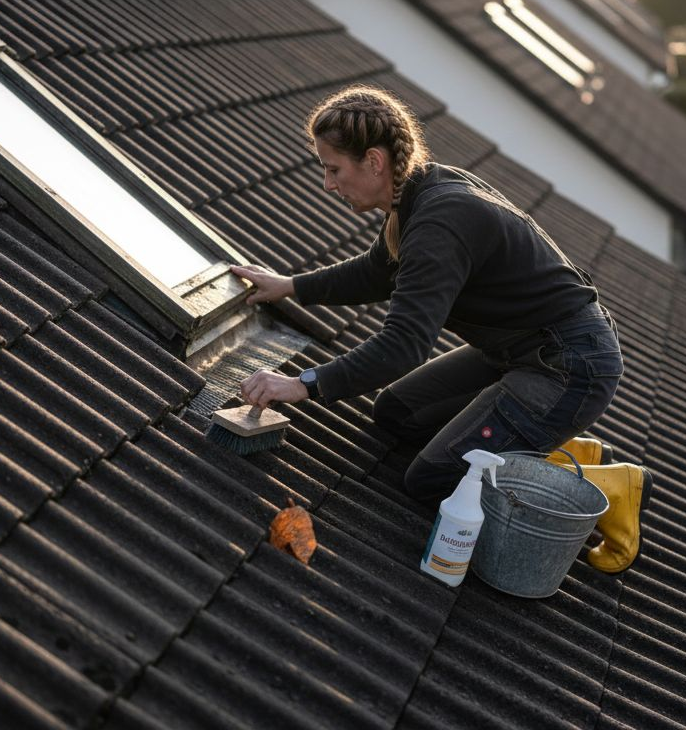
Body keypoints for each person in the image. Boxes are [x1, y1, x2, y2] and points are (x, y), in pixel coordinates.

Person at [231, 85, 624, 504]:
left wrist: (303, 383)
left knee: (433, 479)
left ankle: (604, 485)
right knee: (397, 413)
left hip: (567, 366)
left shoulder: (439, 222)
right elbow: (377, 272)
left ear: (374, 161)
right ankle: (545, 442)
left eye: (334, 170)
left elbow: (403, 346)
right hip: (516, 351)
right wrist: (290, 285)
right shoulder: (415, 194)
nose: (328, 184)